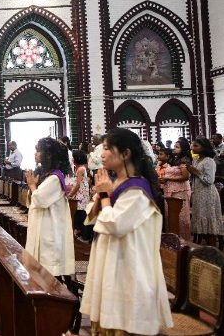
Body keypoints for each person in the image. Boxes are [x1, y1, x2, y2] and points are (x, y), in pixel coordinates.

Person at [81, 128, 172, 335]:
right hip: (111, 257)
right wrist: (102, 195)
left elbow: (116, 224)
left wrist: (104, 194)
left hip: (127, 264)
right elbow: (94, 215)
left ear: (125, 153)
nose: (101, 154)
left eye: (107, 148)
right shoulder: (116, 182)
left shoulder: (137, 189)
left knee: (122, 322)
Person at [24, 137, 75, 278]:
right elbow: (32, 200)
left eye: (38, 151)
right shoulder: (46, 175)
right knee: (39, 270)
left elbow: (39, 199)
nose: (35, 153)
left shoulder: (54, 178)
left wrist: (32, 185)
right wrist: (33, 187)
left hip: (50, 229)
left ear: (49, 154)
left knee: (49, 270)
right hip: (42, 224)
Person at [186, 137, 224, 247]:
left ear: (204, 148)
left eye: (196, 146)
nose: (192, 147)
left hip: (208, 194)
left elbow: (210, 180)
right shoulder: (197, 160)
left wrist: (195, 172)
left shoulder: (209, 161)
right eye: (192, 145)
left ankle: (213, 249)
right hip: (199, 193)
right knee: (201, 221)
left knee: (209, 222)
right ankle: (204, 247)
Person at [158, 145, 191, 240]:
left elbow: (185, 177)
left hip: (180, 191)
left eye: (177, 147)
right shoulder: (175, 160)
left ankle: (183, 240)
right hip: (169, 191)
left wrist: (167, 178)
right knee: (171, 217)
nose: (174, 148)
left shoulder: (184, 160)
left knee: (181, 217)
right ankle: (173, 240)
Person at [68, 150, 92, 242]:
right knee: (80, 214)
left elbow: (78, 185)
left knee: (81, 215)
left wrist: (70, 195)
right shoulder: (81, 168)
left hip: (81, 195)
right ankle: (81, 233)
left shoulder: (80, 169)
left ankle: (84, 236)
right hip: (82, 194)